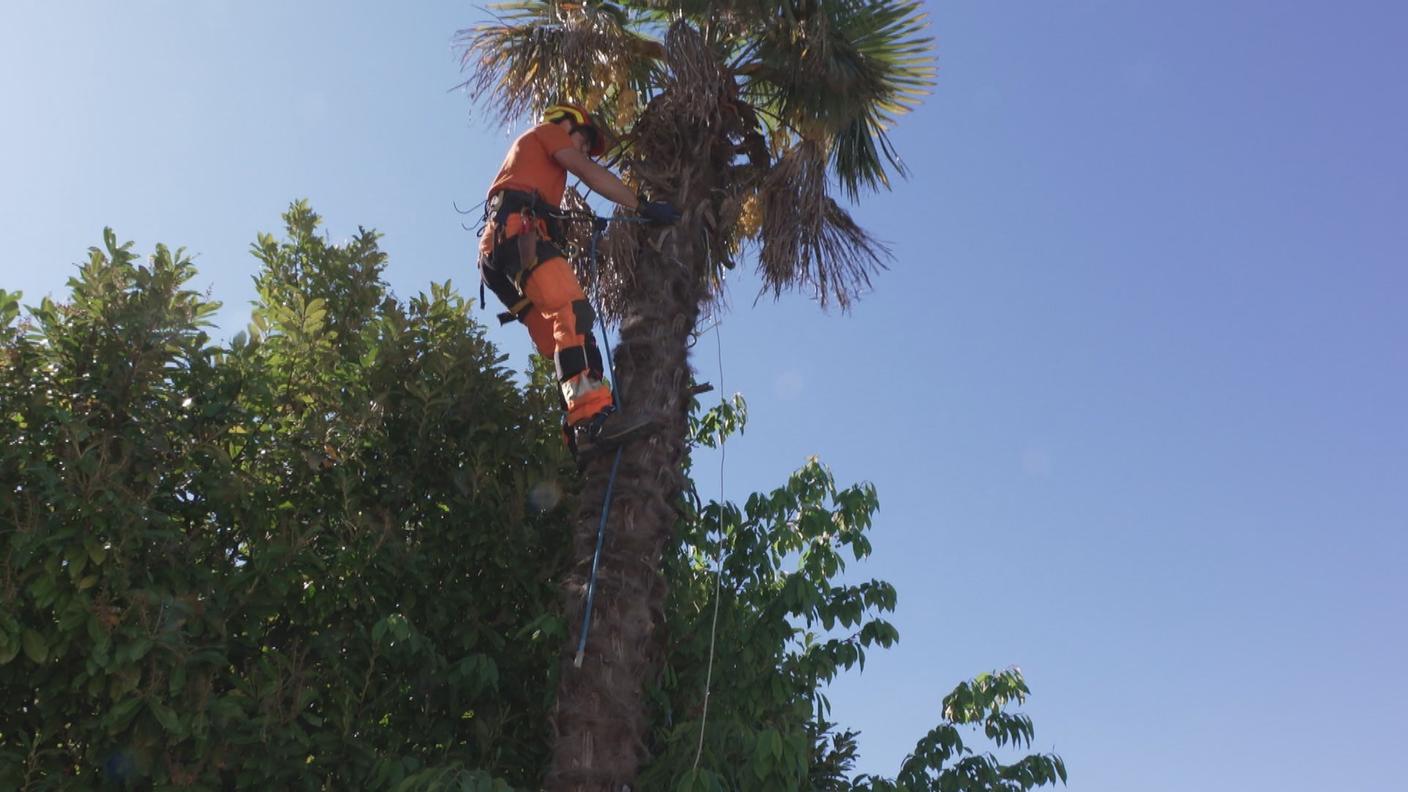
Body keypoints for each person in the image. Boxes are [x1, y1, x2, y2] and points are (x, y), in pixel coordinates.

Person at [478, 102, 680, 460]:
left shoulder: (534, 174)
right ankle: (589, 418)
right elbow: (587, 172)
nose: (584, 150)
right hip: (517, 235)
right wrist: (642, 207)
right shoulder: (547, 133)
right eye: (583, 140)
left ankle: (580, 427)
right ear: (564, 124)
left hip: (499, 252)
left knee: (564, 336)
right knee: (571, 313)